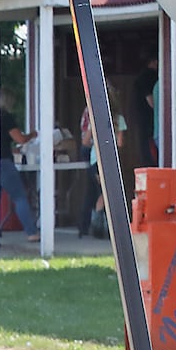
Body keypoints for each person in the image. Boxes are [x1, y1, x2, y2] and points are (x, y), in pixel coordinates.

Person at [0, 89, 40, 243]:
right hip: (1, 162)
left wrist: (11, 149)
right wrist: (33, 134)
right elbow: (20, 138)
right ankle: (32, 232)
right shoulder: (5, 117)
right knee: (19, 197)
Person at [76, 84, 127, 239]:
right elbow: (120, 143)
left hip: (94, 159)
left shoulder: (95, 116)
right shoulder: (119, 119)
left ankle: (85, 227)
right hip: (109, 160)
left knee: (94, 193)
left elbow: (85, 141)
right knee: (105, 193)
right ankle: (98, 225)